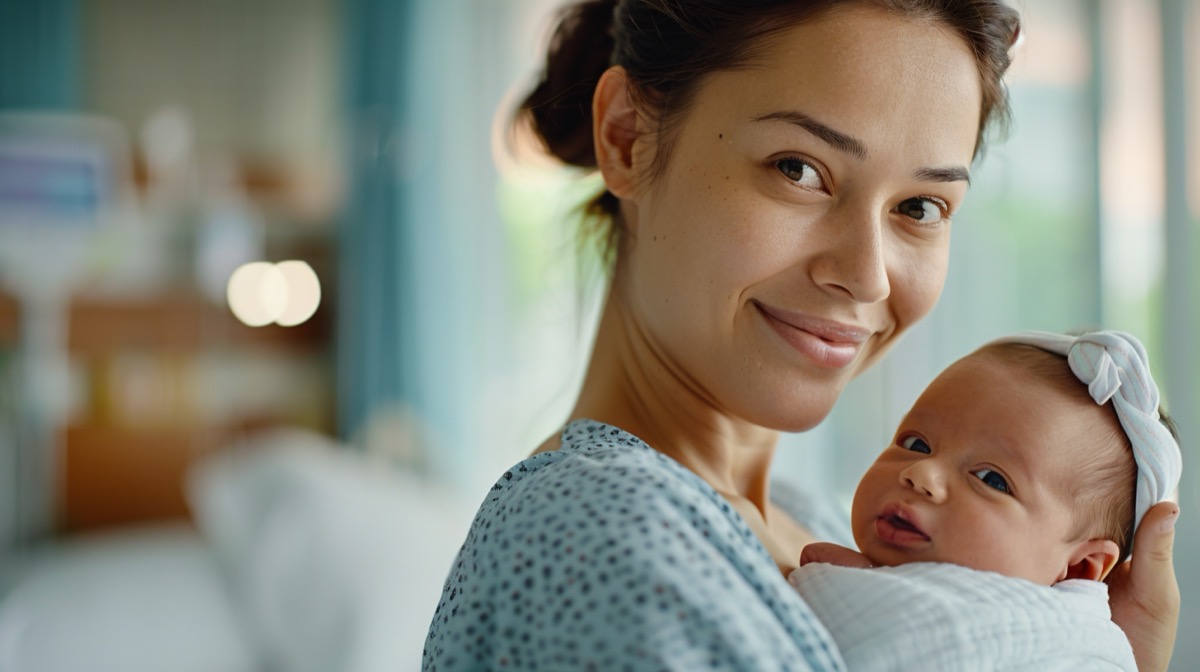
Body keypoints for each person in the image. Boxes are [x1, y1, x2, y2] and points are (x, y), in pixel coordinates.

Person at [423, 1, 1181, 670]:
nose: (867, 275)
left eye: (919, 207)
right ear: (627, 138)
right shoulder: (603, 535)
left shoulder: (818, 530)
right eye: (799, 168)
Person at [788, 330, 1182, 670]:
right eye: (916, 443)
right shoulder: (807, 519)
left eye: (992, 480)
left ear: (1078, 568)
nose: (921, 475)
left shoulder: (1071, 645)